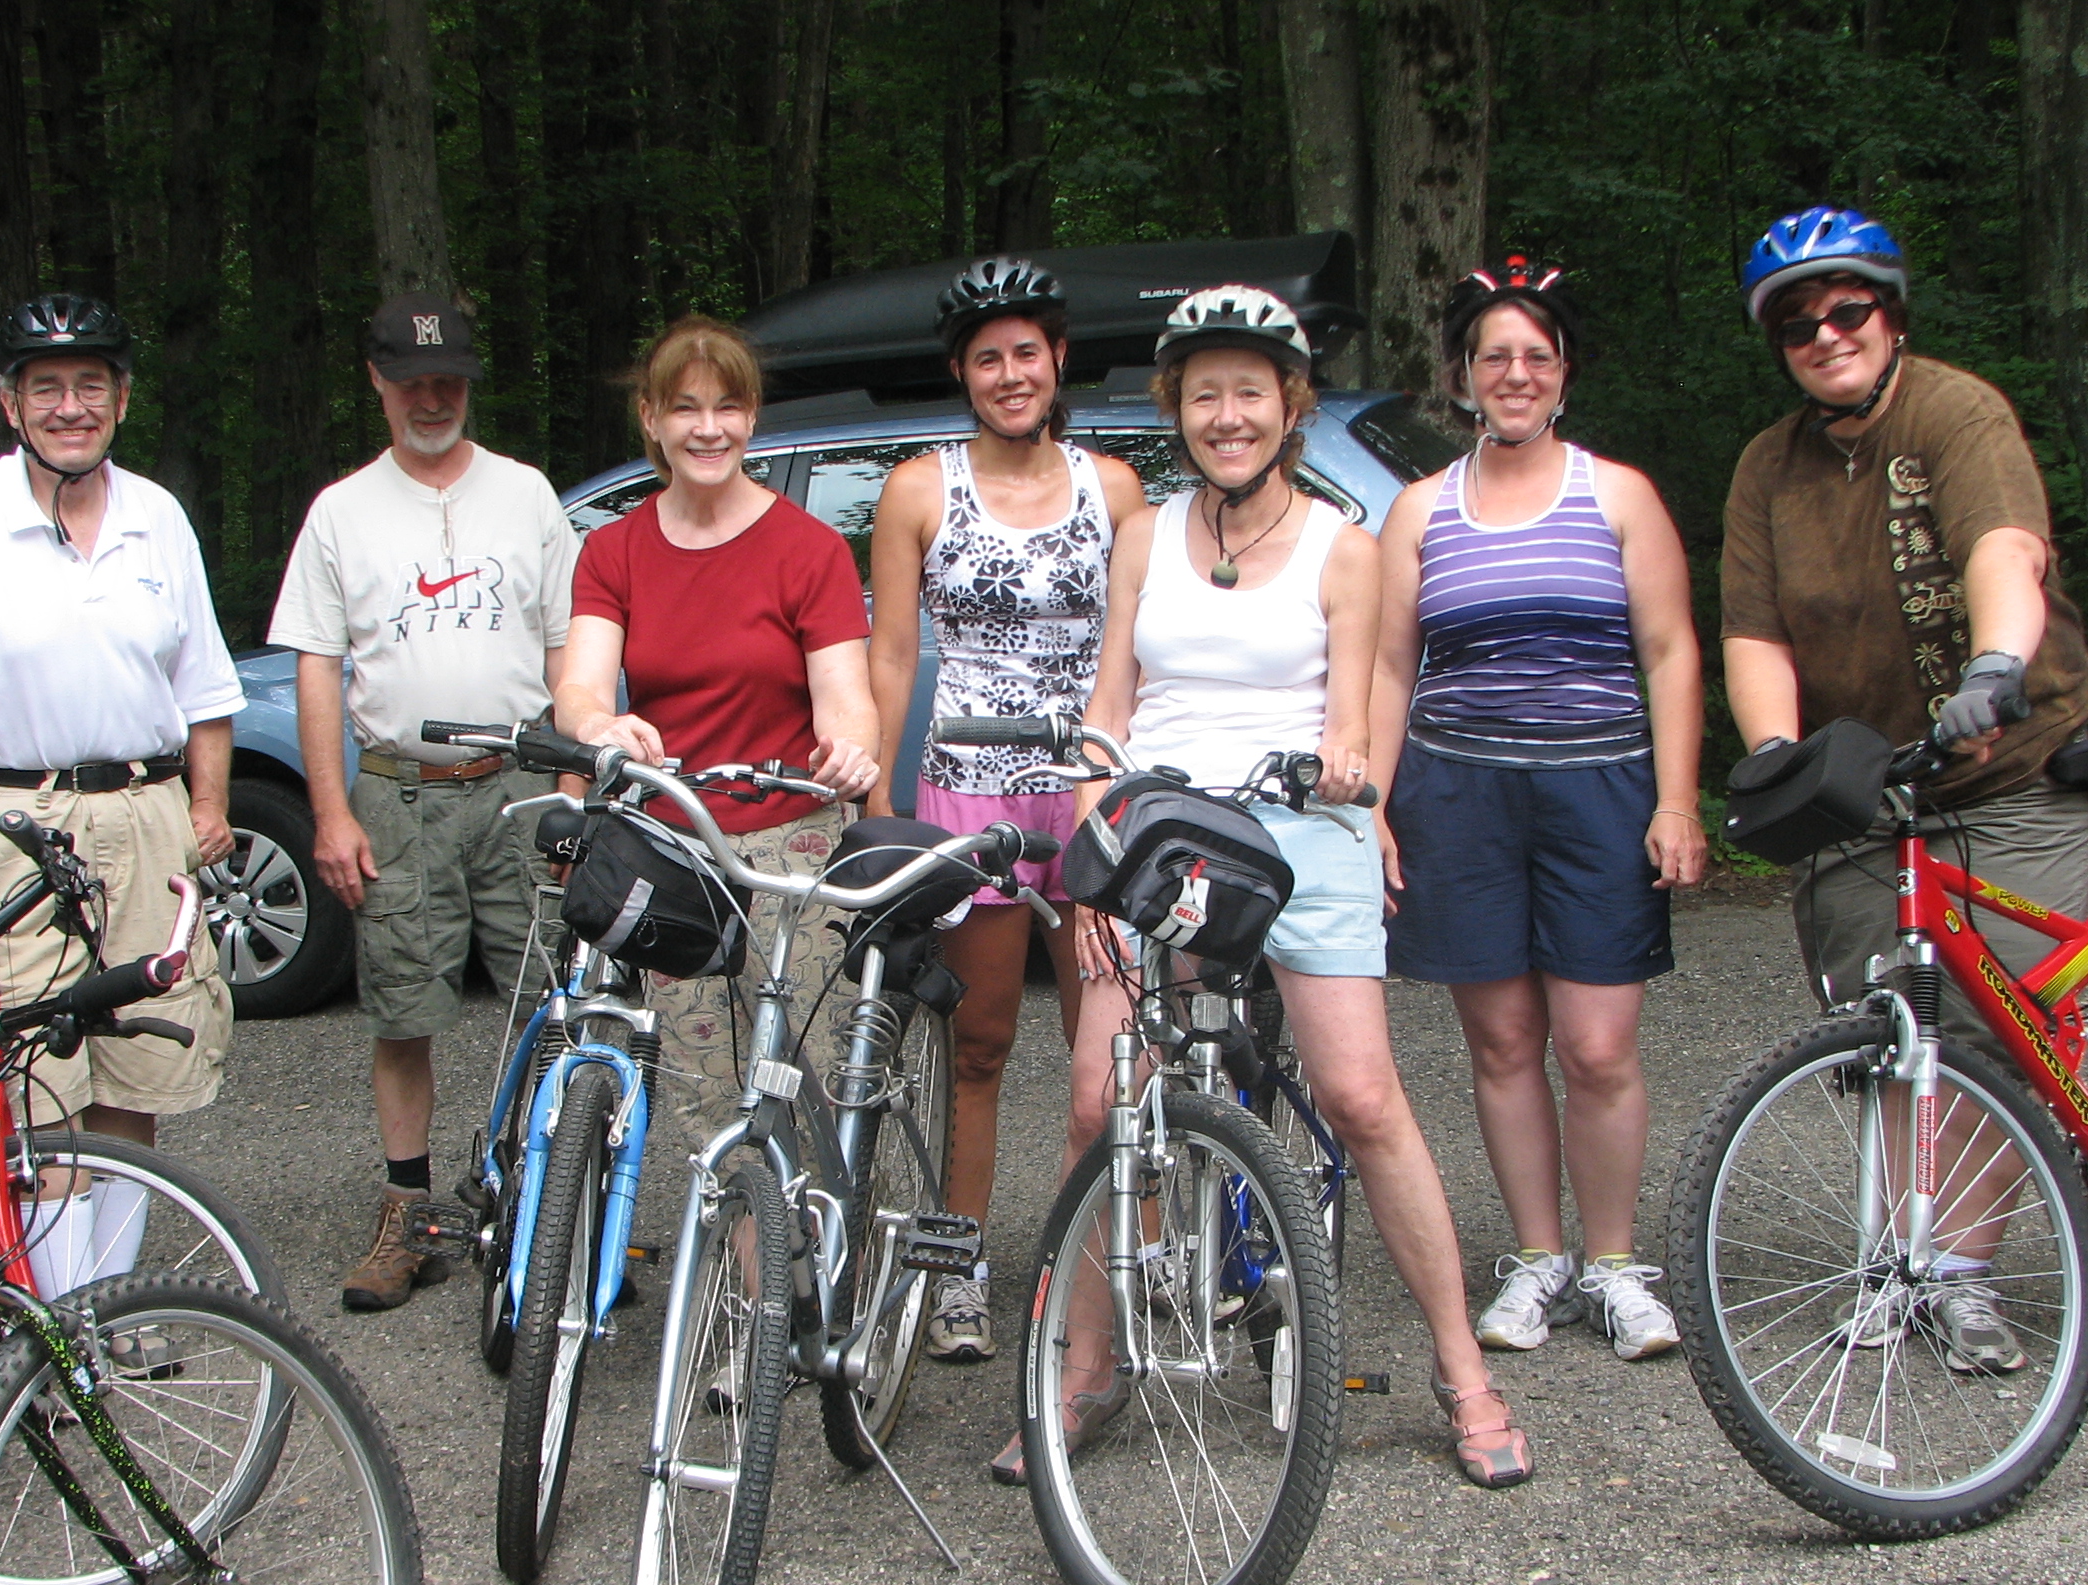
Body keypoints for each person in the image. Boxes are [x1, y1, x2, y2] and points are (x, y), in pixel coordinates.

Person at [1016, 283, 1531, 1490]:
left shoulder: (1346, 550)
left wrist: (1352, 765)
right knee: (1101, 1100)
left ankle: (1467, 1374)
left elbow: (1355, 719)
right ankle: (1086, 1369)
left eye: (1251, 392)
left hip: (1298, 824)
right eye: (1206, 395)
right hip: (1163, 823)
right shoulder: (1145, 539)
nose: (1228, 415)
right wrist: (1095, 862)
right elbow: (1110, 713)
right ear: (1177, 411)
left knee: (1360, 1094)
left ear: (1291, 407)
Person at [1720, 205, 2088, 1372]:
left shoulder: (1954, 409)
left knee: (2007, 1018)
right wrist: (1780, 757)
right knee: (1893, 1019)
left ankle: (1961, 1275)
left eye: (1849, 310)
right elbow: (1754, 633)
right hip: (1873, 784)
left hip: (2011, 762)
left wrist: (1995, 666)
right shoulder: (1769, 467)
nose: (1827, 335)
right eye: (1799, 324)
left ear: (1889, 314)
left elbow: (2003, 547)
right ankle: (1901, 1263)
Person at [0, 294, 241, 1321]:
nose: (70, 406)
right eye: (45, 388)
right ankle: (47, 1329)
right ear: (9, 401)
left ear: (121, 396)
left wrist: (209, 807)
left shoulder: (156, 514)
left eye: (89, 386)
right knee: (31, 1082)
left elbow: (205, 688)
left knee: (136, 1068)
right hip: (13, 824)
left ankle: (106, 1316)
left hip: (144, 814)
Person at [1370, 259, 1706, 1363]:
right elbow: (1386, 667)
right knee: (1504, 1039)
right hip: (1458, 794)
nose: (1515, 374)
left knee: (1599, 1044)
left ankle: (1614, 1265)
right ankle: (1537, 1256)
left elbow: (1669, 650)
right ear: (1464, 377)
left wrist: (1675, 799)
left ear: (1562, 375)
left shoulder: (1619, 496)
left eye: (1537, 357)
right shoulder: (1421, 510)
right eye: (1494, 357)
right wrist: (1372, 803)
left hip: (1600, 791)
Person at [269, 292, 575, 1312]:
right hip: (397, 794)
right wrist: (331, 811)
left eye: (448, 382)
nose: (431, 400)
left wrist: (572, 786)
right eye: (412, 383)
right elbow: (317, 668)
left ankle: (545, 1211)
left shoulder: (527, 496)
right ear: (379, 384)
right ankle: (410, 1213)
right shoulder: (341, 511)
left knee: (553, 1006)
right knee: (402, 1008)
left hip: (520, 785)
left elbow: (571, 643)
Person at [864, 258, 1143, 1363]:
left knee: (1105, 1044)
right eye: (989, 357)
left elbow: (1140, 648)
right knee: (977, 1043)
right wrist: (884, 796)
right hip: (966, 787)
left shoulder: (1113, 486)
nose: (1011, 373)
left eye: (1027, 351)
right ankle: (959, 1265)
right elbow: (890, 651)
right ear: (960, 373)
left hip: (1084, 787)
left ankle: (1111, 1263)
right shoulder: (918, 489)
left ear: (1057, 359)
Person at [556, 316, 878, 1139]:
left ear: (752, 416)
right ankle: (739, 1265)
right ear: (652, 419)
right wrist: (604, 727)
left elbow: (847, 701)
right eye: (687, 408)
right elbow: (581, 690)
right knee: (708, 1105)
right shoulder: (616, 551)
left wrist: (847, 752)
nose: (708, 428)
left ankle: (816, 1256)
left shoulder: (809, 550)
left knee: (799, 1087)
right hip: (673, 845)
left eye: (728, 406)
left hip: (789, 839)